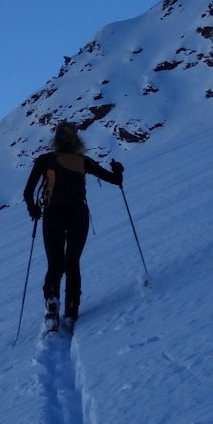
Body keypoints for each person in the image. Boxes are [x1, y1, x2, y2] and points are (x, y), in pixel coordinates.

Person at [23, 121, 124, 335]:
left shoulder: (45, 160)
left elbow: (28, 192)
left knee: (55, 263)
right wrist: (118, 170)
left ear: (56, 139)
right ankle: (71, 310)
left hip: (53, 215)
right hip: (78, 215)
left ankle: (52, 303)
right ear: (77, 140)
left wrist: (33, 209)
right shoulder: (83, 161)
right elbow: (114, 180)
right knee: (72, 262)